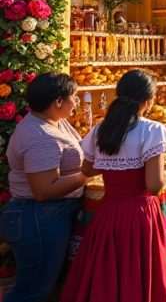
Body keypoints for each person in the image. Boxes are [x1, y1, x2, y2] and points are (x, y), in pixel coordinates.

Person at [61, 69, 166, 302]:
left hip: (109, 211)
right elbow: (154, 185)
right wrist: (165, 177)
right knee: (138, 270)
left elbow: (88, 170)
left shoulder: (101, 129)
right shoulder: (152, 130)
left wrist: (112, 162)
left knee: (107, 272)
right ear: (149, 100)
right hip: (139, 213)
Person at [2, 73, 95, 302]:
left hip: (45, 217)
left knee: (46, 288)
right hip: (39, 217)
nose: (78, 102)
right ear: (58, 102)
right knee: (32, 292)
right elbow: (44, 190)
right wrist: (87, 175)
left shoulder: (53, 122)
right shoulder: (41, 135)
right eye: (74, 96)